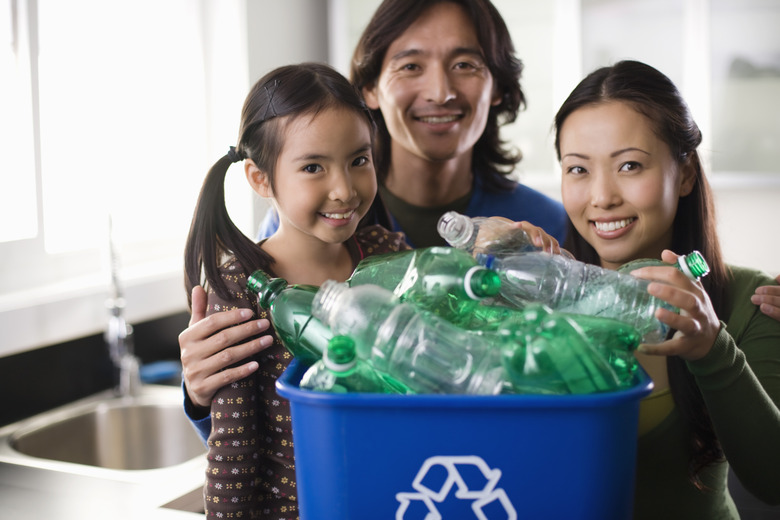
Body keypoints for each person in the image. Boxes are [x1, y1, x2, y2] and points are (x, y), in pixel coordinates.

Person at [180, 0, 568, 440]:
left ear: (497, 85)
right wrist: (200, 393)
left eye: (465, 64)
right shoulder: (296, 243)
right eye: (410, 66)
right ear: (369, 88)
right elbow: (264, 421)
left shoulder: (544, 225)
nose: (440, 91)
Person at [183, 63, 413, 519]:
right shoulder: (240, 292)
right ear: (260, 179)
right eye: (313, 167)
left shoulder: (388, 254)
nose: (344, 189)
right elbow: (232, 459)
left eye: (358, 160)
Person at [554, 59, 780, 519]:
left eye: (630, 165)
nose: (601, 197)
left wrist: (711, 348)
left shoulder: (751, 300)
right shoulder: (542, 303)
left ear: (687, 174)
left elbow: (772, 482)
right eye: (578, 169)